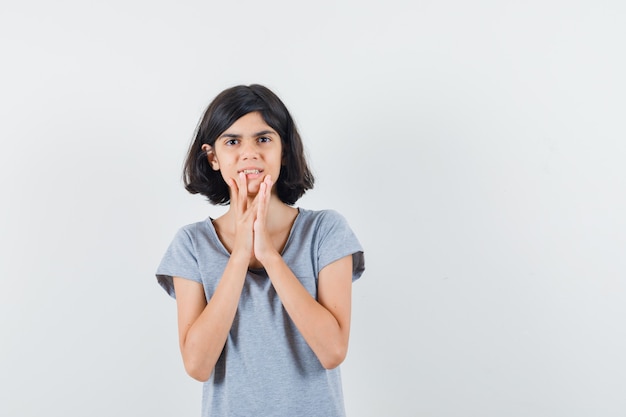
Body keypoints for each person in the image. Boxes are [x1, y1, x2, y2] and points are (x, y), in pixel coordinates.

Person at [156, 84, 365, 416]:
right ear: (212, 157)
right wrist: (240, 254)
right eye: (232, 141)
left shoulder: (326, 231)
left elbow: (332, 350)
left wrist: (269, 254)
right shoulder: (191, 244)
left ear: (284, 150)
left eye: (264, 139)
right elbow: (197, 365)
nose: (249, 153)